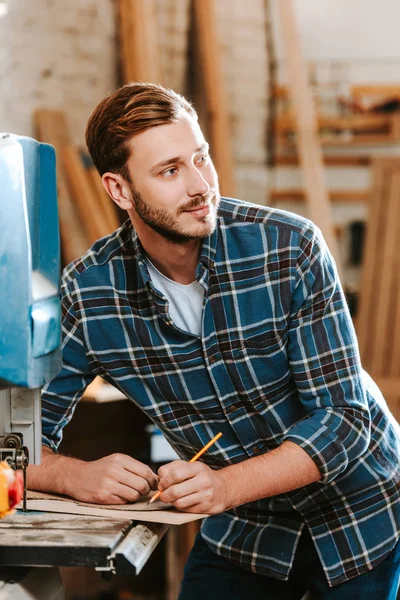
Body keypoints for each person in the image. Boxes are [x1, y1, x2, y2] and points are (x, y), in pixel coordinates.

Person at [27, 82, 400, 599]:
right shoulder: (90, 294)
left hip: (358, 513)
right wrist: (74, 476)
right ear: (119, 190)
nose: (200, 184)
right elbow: (15, 442)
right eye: (170, 171)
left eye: (200, 158)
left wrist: (223, 485)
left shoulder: (289, 249)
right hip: (243, 529)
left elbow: (344, 421)